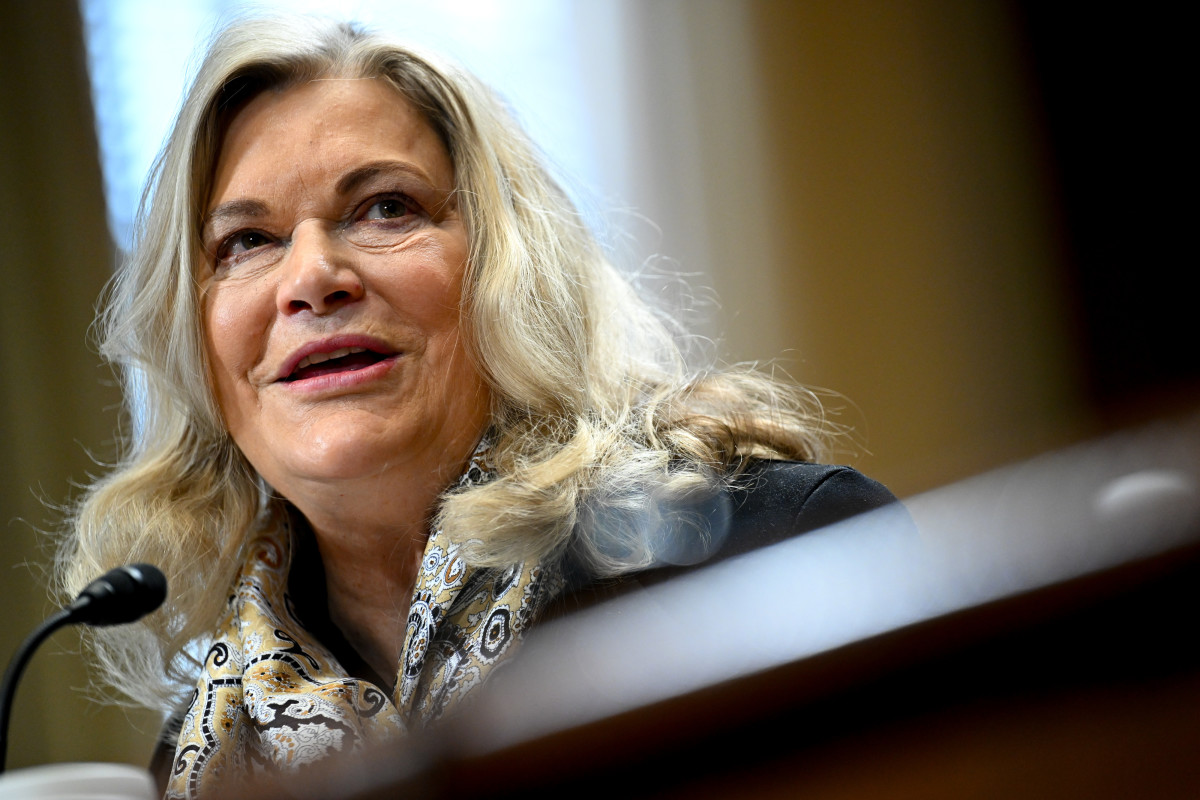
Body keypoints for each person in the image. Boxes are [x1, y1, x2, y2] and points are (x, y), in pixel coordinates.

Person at [55, 15, 900, 798]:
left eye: (386, 208)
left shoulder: (778, 549)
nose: (310, 278)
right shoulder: (205, 755)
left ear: (508, 266)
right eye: (246, 242)